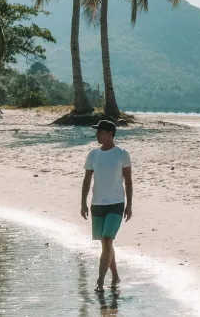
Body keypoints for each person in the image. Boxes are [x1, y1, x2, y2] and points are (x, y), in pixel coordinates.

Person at [80, 119, 132, 292]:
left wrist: (129, 204)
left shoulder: (122, 154)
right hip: (97, 204)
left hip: (116, 203)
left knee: (108, 239)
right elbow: (87, 179)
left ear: (110, 134)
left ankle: (100, 281)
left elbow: (129, 181)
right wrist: (83, 203)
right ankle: (115, 276)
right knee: (105, 244)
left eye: (100, 131)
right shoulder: (93, 155)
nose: (96, 134)